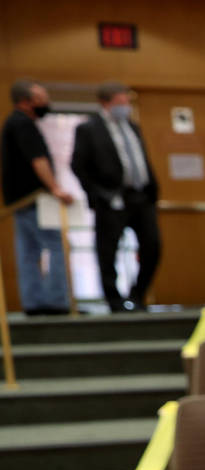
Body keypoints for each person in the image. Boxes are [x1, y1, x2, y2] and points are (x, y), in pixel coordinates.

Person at [71, 81, 160, 313]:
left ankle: (137, 295)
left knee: (153, 246)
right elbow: (78, 166)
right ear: (105, 102)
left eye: (127, 102)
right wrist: (99, 193)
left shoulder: (132, 127)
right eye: (120, 102)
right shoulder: (89, 129)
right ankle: (114, 300)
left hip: (141, 197)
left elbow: (141, 161)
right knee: (108, 251)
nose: (125, 106)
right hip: (111, 199)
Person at [1, 78, 73, 315]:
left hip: (20, 200)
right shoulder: (22, 125)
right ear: (25, 102)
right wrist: (55, 188)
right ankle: (57, 301)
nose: (46, 103)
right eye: (41, 99)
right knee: (56, 245)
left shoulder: (13, 123)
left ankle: (33, 302)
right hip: (33, 199)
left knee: (29, 252)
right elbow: (38, 159)